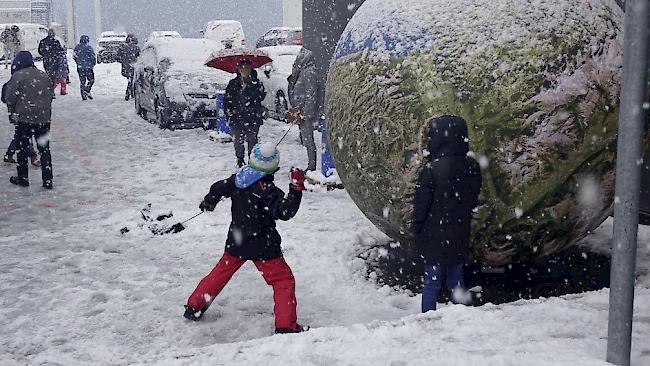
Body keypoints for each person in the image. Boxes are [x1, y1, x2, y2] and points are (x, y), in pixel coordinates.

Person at [184, 142, 308, 334]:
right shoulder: (269, 191)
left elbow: (218, 187)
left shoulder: (238, 180)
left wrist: (210, 200)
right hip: (264, 245)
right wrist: (296, 187)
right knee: (283, 280)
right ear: (274, 167)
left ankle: (194, 306)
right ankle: (286, 326)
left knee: (219, 274)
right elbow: (284, 212)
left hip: (238, 240)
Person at [411, 115, 482, 312]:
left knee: (431, 282)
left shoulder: (431, 170)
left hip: (435, 233)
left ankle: (427, 318)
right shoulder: (472, 166)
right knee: (456, 280)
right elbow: (473, 197)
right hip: (460, 230)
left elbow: (421, 205)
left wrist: (416, 228)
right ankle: (459, 316)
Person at [4, 51, 54, 189]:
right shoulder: (44, 75)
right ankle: (47, 180)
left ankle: (23, 179)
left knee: (22, 149)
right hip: (43, 119)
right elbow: (50, 95)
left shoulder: (18, 76)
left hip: (24, 119)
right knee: (44, 150)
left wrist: (14, 109)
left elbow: (9, 97)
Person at [224, 59, 266, 167]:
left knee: (252, 140)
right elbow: (227, 100)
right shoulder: (233, 83)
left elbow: (260, 97)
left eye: (247, 68)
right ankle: (240, 159)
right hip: (237, 117)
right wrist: (229, 114)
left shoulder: (256, 83)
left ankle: (252, 160)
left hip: (252, 117)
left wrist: (251, 88)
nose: (245, 70)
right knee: (238, 140)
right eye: (242, 68)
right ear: (238, 69)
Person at [3, 55, 40, 167]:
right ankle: (32, 156)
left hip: (18, 112)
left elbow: (6, 97)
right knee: (24, 135)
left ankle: (9, 154)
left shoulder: (14, 79)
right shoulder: (25, 79)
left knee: (21, 135)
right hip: (23, 112)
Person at [287, 47, 318, 171]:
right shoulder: (303, 73)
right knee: (306, 140)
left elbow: (311, 94)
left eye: (295, 64)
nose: (294, 66)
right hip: (301, 112)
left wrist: (306, 114)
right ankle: (311, 166)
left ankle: (312, 167)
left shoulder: (309, 73)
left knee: (309, 141)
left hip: (305, 114)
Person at [73, 35, 96, 100]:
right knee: (91, 80)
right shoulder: (89, 48)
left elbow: (74, 56)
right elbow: (93, 57)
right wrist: (93, 64)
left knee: (82, 81)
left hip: (80, 67)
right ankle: (87, 90)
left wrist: (78, 62)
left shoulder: (77, 47)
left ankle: (83, 94)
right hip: (88, 67)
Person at [118, 34, 140, 101]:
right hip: (133, 66)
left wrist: (123, 61)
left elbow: (118, 56)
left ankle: (130, 93)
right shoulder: (136, 48)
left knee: (130, 79)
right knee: (131, 80)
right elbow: (139, 57)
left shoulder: (122, 47)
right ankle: (128, 93)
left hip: (125, 66)